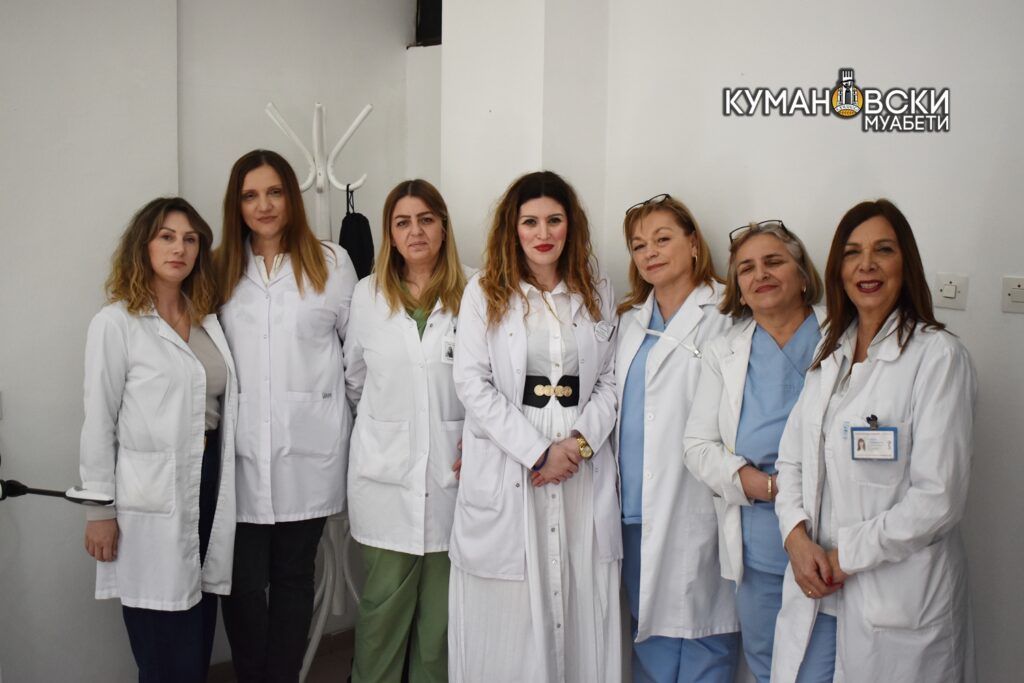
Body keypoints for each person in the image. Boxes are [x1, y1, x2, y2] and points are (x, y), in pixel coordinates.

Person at [772, 200, 976, 682]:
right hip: (818, 592)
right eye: (852, 253)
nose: (866, 265)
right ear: (838, 269)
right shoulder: (829, 354)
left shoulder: (938, 357)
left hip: (895, 601)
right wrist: (796, 537)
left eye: (883, 250)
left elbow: (938, 499)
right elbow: (792, 460)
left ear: (906, 263)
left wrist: (844, 557)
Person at [448, 171, 622, 682]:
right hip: (514, 454)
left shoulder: (598, 289)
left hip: (579, 457)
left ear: (571, 226)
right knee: (513, 604)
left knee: (578, 583)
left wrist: (579, 443)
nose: (542, 233)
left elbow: (612, 378)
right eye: (530, 222)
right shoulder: (484, 291)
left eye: (554, 220)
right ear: (513, 227)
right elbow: (472, 383)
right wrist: (538, 451)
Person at [80, 197, 238, 683]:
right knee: (160, 635)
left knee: (198, 620)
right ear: (143, 246)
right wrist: (99, 511)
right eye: (166, 237)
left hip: (209, 479)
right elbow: (98, 421)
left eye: (190, 239)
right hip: (149, 492)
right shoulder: (116, 323)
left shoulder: (208, 319)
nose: (179, 249)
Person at [215, 149, 358, 682]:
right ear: (237, 205)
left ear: (291, 197)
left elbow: (356, 357)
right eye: (251, 195)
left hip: (309, 449)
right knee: (242, 583)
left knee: (296, 577)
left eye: (274, 192)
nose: (264, 205)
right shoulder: (220, 267)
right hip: (242, 452)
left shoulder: (331, 263)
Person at [684, 220, 825, 682]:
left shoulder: (843, 336)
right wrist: (766, 486)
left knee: (830, 667)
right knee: (768, 666)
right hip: (760, 534)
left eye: (773, 262)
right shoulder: (724, 350)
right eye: (746, 268)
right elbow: (697, 446)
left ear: (802, 274)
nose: (760, 274)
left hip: (831, 531)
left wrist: (801, 490)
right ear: (740, 290)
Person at [344, 179, 468, 682]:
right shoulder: (367, 295)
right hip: (385, 479)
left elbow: (490, 380)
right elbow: (355, 379)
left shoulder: (477, 291)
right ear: (390, 234)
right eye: (403, 222)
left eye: (426, 220)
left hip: (453, 479)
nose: (415, 231)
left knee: (440, 623)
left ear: (443, 226)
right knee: (381, 614)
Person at [615, 194, 739, 682]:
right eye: (638, 245)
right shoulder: (629, 320)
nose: (650, 252)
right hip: (633, 507)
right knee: (648, 629)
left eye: (662, 239)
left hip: (696, 500)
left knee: (705, 631)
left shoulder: (728, 312)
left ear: (693, 244)